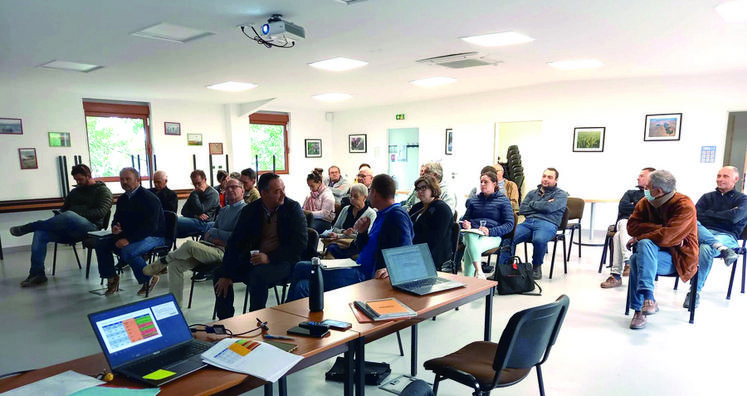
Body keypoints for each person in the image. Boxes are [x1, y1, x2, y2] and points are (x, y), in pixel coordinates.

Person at [286, 174, 414, 301]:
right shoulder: (381, 214)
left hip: (364, 276)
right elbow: (364, 247)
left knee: (303, 286)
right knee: (300, 268)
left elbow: (407, 249)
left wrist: (391, 269)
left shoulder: (396, 215)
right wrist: (363, 233)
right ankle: (289, 318)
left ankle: (290, 319)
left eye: (370, 192)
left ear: (373, 192)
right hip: (357, 266)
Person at [213, 173, 307, 317]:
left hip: (283, 261)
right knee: (219, 274)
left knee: (258, 275)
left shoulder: (292, 208)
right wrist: (227, 273)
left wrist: (269, 258)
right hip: (254, 259)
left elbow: (299, 246)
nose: (283, 194)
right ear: (263, 193)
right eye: (277, 191)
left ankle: (256, 319)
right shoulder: (250, 210)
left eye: (283, 189)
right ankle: (224, 322)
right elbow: (235, 243)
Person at [143, 178, 245, 307]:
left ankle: (162, 262)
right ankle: (176, 306)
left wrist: (214, 232)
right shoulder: (224, 210)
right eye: (227, 187)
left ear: (242, 190)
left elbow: (234, 237)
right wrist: (214, 235)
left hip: (224, 253)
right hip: (210, 247)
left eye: (234, 187)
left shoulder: (244, 211)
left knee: (189, 245)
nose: (230, 190)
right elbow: (208, 234)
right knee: (175, 265)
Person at [11, 164, 113, 287]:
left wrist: (74, 214)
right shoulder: (75, 192)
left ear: (88, 176)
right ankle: (37, 274)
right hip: (69, 229)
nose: (78, 182)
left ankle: (31, 226)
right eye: (76, 180)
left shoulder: (103, 191)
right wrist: (60, 215)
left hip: (91, 228)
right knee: (41, 232)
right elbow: (64, 210)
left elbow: (100, 213)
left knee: (70, 215)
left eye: (80, 179)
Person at [626, 170, 698, 330]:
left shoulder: (684, 205)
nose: (645, 189)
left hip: (678, 258)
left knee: (638, 254)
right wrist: (663, 229)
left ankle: (640, 311)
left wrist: (642, 236)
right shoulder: (645, 202)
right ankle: (648, 300)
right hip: (651, 256)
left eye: (648, 187)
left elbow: (667, 237)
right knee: (643, 248)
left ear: (657, 191)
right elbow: (631, 227)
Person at [94, 168, 166, 296]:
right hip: (132, 234)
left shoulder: (149, 199)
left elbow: (151, 227)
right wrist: (115, 228)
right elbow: (117, 219)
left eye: (128, 179)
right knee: (101, 243)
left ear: (137, 180)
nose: (124, 182)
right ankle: (111, 277)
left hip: (154, 235)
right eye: (122, 179)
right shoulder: (123, 199)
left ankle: (148, 279)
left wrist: (128, 240)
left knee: (129, 251)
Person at [689, 166, 747, 308]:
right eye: (719, 175)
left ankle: (694, 291)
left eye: (725, 176)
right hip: (703, 232)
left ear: (736, 179)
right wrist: (726, 214)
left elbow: (734, 218)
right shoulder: (707, 197)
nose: (720, 179)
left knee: (706, 247)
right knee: (694, 223)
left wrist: (709, 213)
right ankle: (721, 249)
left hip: (727, 236)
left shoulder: (743, 199)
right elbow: (694, 217)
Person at [600, 167, 655, 288]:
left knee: (618, 236)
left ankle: (616, 275)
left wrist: (634, 206)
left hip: (643, 226)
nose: (638, 178)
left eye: (642, 176)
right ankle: (627, 262)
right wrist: (637, 208)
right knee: (624, 224)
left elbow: (649, 212)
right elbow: (623, 207)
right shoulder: (630, 193)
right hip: (625, 222)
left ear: (651, 179)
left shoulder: (654, 195)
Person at [512, 168, 568, 280]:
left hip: (548, 223)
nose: (545, 179)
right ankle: (505, 267)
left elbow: (550, 208)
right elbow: (522, 209)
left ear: (556, 180)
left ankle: (536, 267)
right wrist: (544, 204)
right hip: (528, 223)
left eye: (550, 177)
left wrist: (533, 205)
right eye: (544, 176)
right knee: (510, 236)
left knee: (539, 239)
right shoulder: (532, 193)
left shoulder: (561, 194)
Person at [460, 171, 515, 279]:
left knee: (469, 249)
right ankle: (479, 271)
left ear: (494, 184)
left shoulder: (503, 200)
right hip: (473, 234)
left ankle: (469, 280)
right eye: (481, 182)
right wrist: (466, 224)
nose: (483, 184)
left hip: (492, 236)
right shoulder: (474, 200)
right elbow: (464, 220)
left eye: (486, 182)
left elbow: (509, 224)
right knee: (470, 236)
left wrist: (490, 231)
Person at [410, 175, 455, 272]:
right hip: (415, 251)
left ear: (433, 188)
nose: (420, 191)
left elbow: (436, 239)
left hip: (434, 255)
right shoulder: (417, 207)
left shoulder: (442, 209)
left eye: (423, 188)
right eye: (418, 189)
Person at [324, 183, 376, 259]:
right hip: (341, 243)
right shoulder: (346, 209)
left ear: (364, 197)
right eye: (350, 196)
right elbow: (335, 228)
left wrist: (339, 235)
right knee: (331, 248)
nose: (352, 199)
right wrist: (343, 232)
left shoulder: (371, 214)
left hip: (356, 246)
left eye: (356, 196)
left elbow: (365, 237)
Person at [177, 170, 220, 238]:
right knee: (172, 221)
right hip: (194, 219)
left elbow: (201, 209)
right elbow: (184, 211)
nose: (196, 186)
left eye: (199, 183)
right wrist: (195, 215)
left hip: (205, 223)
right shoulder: (194, 193)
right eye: (194, 184)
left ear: (205, 180)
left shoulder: (213, 194)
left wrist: (195, 194)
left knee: (176, 220)